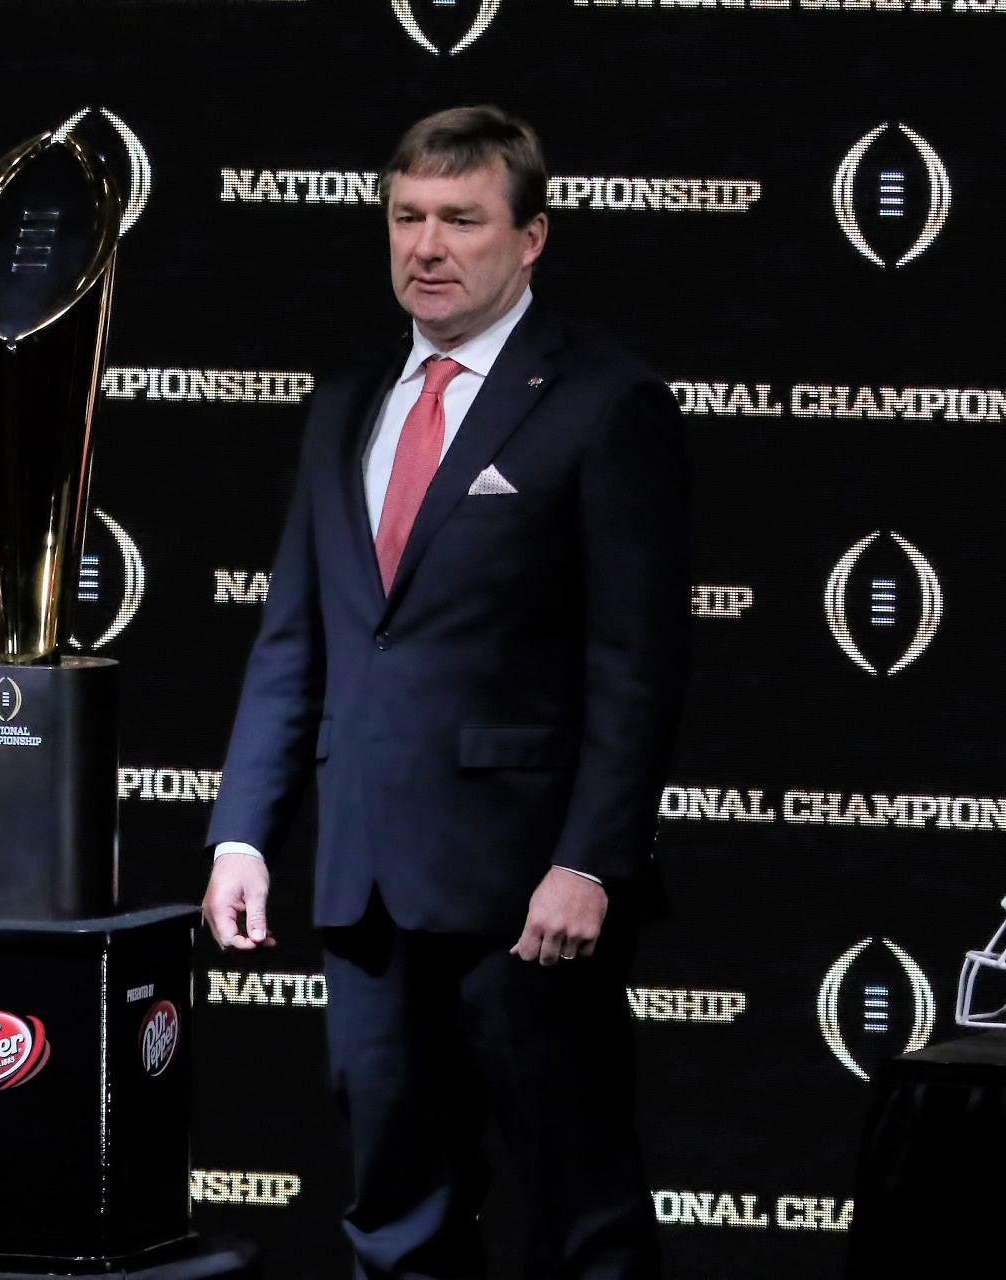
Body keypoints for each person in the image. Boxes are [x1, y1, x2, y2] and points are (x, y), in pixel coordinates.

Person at [201, 106, 688, 1279]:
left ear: (531, 238)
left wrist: (590, 860)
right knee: (393, 1209)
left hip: (529, 893)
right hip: (365, 886)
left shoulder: (602, 401)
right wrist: (240, 835)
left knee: (582, 1216)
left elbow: (640, 661)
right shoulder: (346, 404)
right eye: (407, 218)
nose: (428, 245)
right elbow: (295, 644)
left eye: (462, 220)